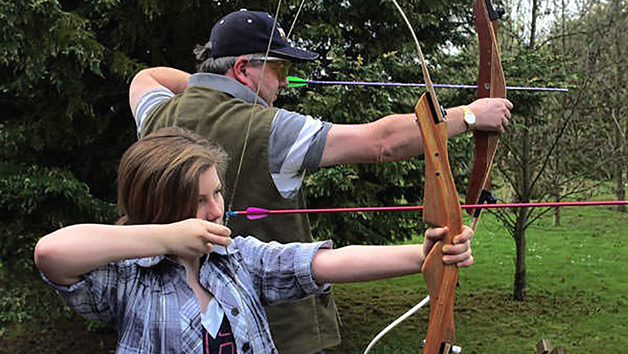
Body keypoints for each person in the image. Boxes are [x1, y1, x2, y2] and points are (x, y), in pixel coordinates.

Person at [128, 10, 512, 353]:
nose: (285, 83)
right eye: (277, 69)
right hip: (277, 328)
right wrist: (472, 116)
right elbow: (381, 143)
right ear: (244, 69)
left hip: (175, 320)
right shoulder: (275, 129)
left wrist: (203, 87)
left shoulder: (157, 115)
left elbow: (145, 77)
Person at [34, 127, 474, 354]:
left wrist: (426, 254)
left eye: (217, 193)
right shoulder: (127, 278)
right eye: (197, 201)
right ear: (157, 205)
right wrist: (166, 238)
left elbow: (324, 264)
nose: (215, 210)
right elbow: (52, 253)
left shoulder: (234, 258)